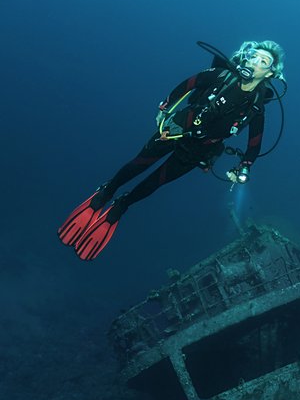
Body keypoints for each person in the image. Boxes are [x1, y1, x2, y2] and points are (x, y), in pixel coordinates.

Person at [58, 40, 286, 260]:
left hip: (199, 149)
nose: (255, 61)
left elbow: (254, 145)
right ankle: (107, 192)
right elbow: (190, 83)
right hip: (177, 126)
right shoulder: (222, 75)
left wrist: (243, 169)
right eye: (253, 56)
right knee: (139, 163)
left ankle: (122, 205)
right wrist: (165, 106)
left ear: (269, 73)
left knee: (156, 181)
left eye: (263, 61)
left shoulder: (256, 108)